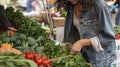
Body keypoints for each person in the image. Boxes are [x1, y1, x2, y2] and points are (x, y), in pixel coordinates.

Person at [55, 0, 116, 67]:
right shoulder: (72, 6)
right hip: (83, 56)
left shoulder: (99, 4)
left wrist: (82, 42)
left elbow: (108, 37)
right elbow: (73, 32)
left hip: (100, 59)